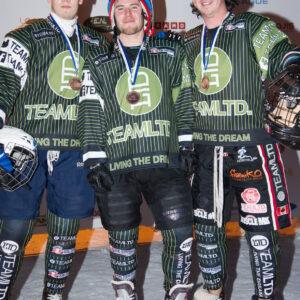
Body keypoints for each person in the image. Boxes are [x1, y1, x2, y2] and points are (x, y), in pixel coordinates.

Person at [78, 0, 195, 299]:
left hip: (164, 161)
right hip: (118, 165)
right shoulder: (98, 62)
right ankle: (125, 294)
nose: (127, 13)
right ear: (112, 18)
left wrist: (185, 143)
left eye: (134, 7)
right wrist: (93, 159)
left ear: (146, 15)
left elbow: (183, 100)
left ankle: (177, 293)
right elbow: (90, 112)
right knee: (121, 239)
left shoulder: (169, 53)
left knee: (180, 235)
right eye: (120, 9)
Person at [183, 0, 300, 299]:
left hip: (252, 145)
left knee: (260, 234)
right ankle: (213, 293)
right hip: (206, 149)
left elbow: (280, 53)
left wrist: (292, 64)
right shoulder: (188, 40)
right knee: (207, 232)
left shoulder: (252, 26)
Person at [0, 0, 108, 299]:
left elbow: (107, 94)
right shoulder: (24, 35)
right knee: (11, 235)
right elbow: (5, 81)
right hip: (26, 150)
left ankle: (54, 295)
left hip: (74, 150)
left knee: (65, 237)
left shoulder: (97, 42)